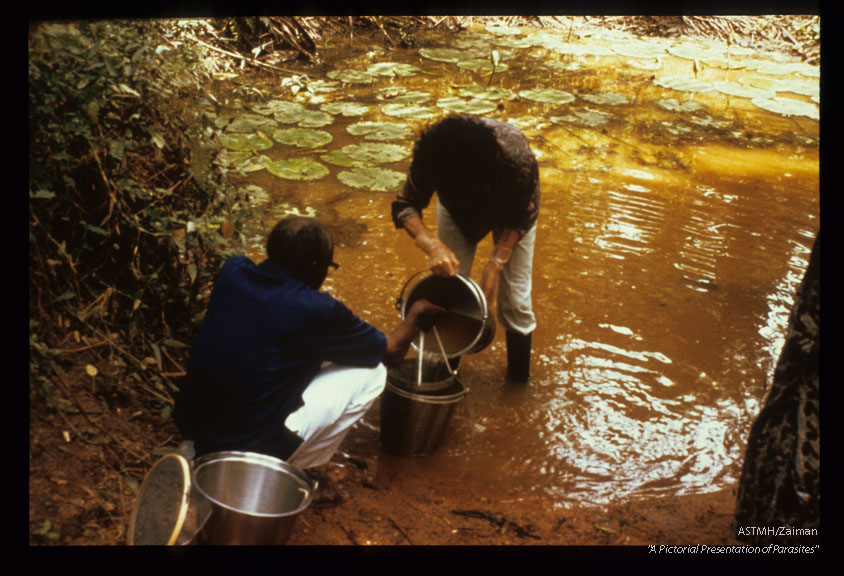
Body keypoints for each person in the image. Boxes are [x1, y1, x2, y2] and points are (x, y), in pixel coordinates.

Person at [173, 216, 443, 499]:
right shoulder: (316, 309)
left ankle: (226, 458)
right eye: (328, 267)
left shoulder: (234, 271)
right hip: (247, 450)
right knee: (373, 372)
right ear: (316, 267)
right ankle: (291, 472)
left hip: (197, 433)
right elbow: (393, 351)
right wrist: (417, 312)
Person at [391, 113, 539, 382]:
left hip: (511, 215)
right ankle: (444, 377)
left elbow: (521, 215)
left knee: (515, 300)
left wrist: (495, 265)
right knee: (450, 287)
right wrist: (432, 245)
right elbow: (404, 206)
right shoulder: (432, 155)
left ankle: (518, 384)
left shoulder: (516, 158)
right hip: (456, 212)